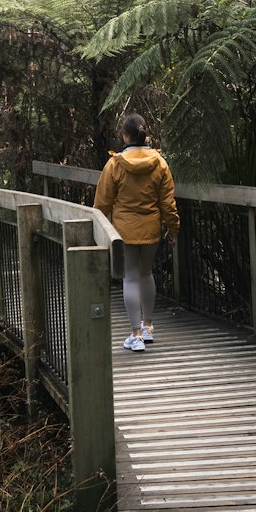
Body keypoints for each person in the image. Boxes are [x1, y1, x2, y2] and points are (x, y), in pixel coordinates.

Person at [94, 112, 180, 352]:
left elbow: (102, 203)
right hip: (151, 228)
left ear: (125, 136)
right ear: (145, 134)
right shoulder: (160, 164)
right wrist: (173, 229)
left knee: (130, 277)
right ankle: (149, 327)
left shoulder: (114, 165)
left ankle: (136, 335)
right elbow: (168, 203)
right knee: (146, 273)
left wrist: (99, 229)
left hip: (124, 231)